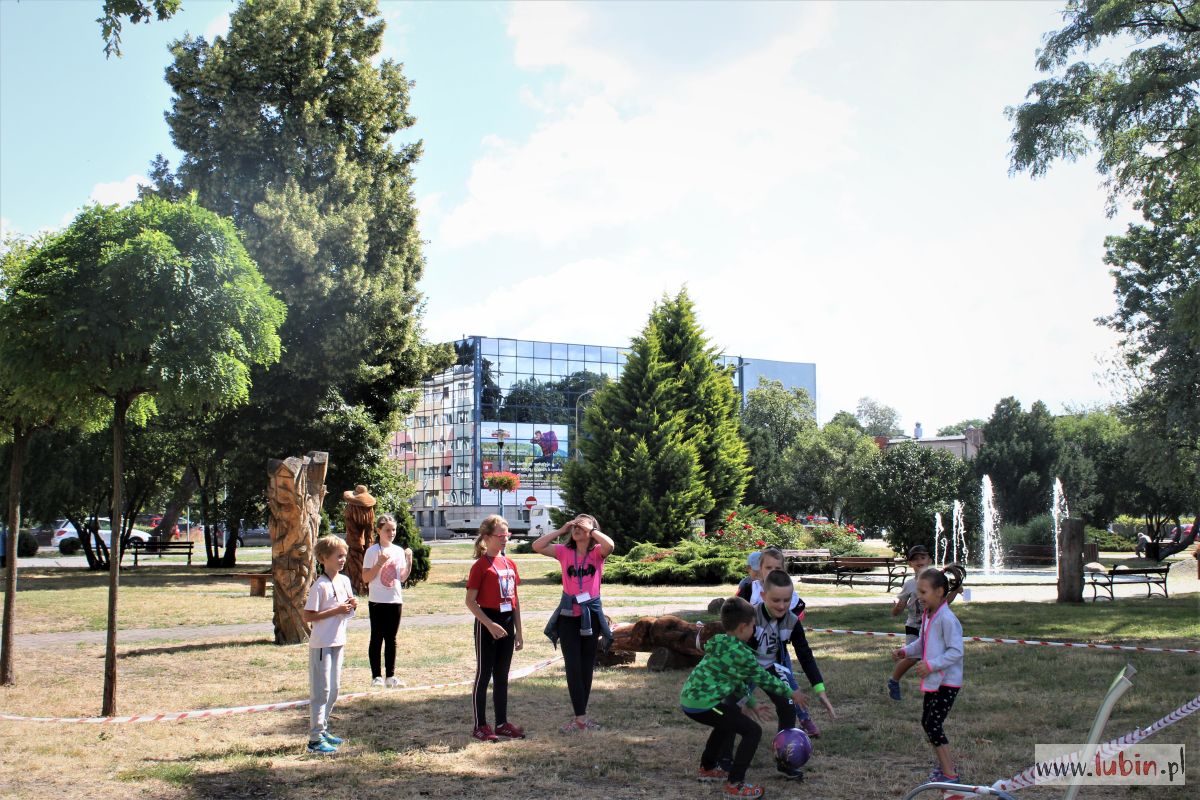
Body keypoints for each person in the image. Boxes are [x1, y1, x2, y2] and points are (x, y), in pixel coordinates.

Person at [681, 596, 809, 799]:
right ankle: (735, 783)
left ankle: (707, 768)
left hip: (692, 701)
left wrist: (752, 703)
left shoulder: (723, 643)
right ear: (743, 627)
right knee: (752, 731)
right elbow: (764, 678)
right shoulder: (742, 653)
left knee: (725, 724)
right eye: (752, 626)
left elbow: (735, 679)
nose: (754, 630)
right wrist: (790, 692)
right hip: (703, 704)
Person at [533, 513, 616, 732]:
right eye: (575, 525)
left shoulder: (597, 553)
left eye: (582, 525)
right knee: (573, 665)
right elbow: (537, 545)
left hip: (591, 616)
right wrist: (562, 530)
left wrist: (592, 529)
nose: (577, 528)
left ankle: (581, 716)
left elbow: (610, 545)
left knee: (586, 665)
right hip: (568, 616)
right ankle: (580, 717)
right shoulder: (564, 552)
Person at [735, 547, 830, 737]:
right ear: (759, 569)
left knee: (790, 692)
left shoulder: (789, 599)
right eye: (768, 568)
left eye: (777, 568)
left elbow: (803, 649)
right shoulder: (750, 591)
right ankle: (731, 726)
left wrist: (819, 688)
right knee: (738, 694)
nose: (781, 605)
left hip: (776, 655)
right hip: (749, 656)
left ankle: (802, 721)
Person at [892, 565, 966, 785]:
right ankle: (945, 768)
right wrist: (905, 651)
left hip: (948, 682)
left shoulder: (947, 619)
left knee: (933, 724)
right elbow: (923, 642)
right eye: (918, 592)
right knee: (928, 722)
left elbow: (956, 651)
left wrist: (931, 665)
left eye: (923, 592)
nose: (919, 596)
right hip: (935, 681)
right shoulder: (928, 615)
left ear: (939, 592)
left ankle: (950, 774)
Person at [465, 514, 525, 742]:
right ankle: (480, 725)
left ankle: (502, 723)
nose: (505, 539)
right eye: (500, 535)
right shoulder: (480, 566)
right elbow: (470, 601)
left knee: (502, 675)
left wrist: (519, 631)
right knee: (484, 674)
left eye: (507, 535)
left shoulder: (510, 564)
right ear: (487, 537)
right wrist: (489, 624)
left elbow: (515, 600)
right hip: (487, 622)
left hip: (507, 622)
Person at [302, 534, 357, 754]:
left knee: (334, 690)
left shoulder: (344, 581)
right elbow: (308, 616)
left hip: (338, 641)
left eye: (344, 556)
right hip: (322, 644)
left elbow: (347, 611)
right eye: (338, 556)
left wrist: (352, 605)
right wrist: (336, 610)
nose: (342, 560)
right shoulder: (320, 585)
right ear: (324, 558)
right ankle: (314, 739)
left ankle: (323, 729)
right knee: (321, 691)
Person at [362, 513, 413, 688]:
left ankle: (390, 676)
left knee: (391, 639)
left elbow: (402, 577)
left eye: (393, 530)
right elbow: (366, 578)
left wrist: (409, 561)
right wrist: (379, 563)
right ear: (379, 530)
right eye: (387, 530)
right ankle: (376, 676)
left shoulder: (398, 550)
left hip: (395, 600)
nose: (391, 533)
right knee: (377, 638)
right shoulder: (372, 551)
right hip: (377, 600)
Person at [887, 545, 933, 701]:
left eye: (923, 557)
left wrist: (955, 591)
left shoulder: (936, 581)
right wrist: (897, 608)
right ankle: (894, 681)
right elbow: (898, 610)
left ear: (929, 560)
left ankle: (933, 688)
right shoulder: (909, 584)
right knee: (913, 656)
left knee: (933, 656)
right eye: (915, 559)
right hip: (914, 625)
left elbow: (945, 602)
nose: (919, 561)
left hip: (931, 625)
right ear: (910, 564)